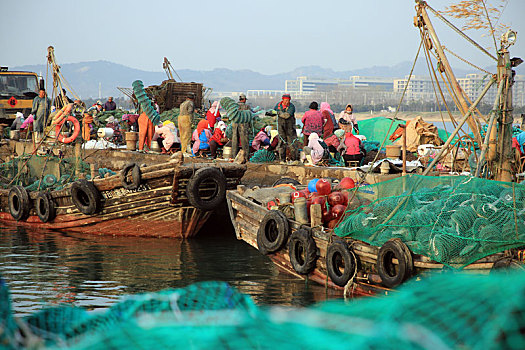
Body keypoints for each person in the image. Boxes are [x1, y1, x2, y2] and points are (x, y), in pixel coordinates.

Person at [274, 94, 298, 161]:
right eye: (286, 100)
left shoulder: (291, 106)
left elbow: (286, 115)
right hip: (281, 127)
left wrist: (278, 113)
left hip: (290, 128)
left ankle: (294, 159)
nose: (287, 102)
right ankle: (282, 159)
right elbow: (274, 111)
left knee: (292, 143)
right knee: (281, 142)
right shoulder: (278, 105)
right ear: (283, 100)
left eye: (288, 100)